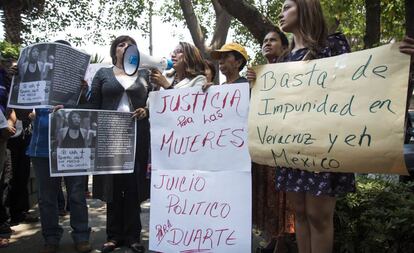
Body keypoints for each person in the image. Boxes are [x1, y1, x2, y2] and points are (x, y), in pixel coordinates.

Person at [270, 1, 355, 253]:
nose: (280, 13)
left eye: (286, 7)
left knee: (318, 216)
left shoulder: (332, 46)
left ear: (305, 8)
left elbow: (352, 85)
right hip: (292, 146)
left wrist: (399, 58)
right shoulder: (284, 59)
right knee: (300, 214)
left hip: (322, 143)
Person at [24, 40, 92, 253]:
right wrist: (18, 77)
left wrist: (85, 90)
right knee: (47, 197)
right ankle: (50, 238)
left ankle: (81, 236)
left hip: (73, 147)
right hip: (42, 146)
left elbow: (90, 108)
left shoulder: (81, 82)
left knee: (77, 194)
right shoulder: (36, 76)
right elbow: (17, 101)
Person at [88, 35, 150, 253]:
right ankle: (113, 236)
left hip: (137, 138)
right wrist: (66, 110)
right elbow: (92, 104)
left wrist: (146, 110)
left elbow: (156, 103)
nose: (126, 48)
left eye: (130, 45)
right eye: (121, 44)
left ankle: (134, 236)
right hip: (108, 137)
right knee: (112, 187)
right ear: (114, 51)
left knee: (133, 188)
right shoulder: (103, 74)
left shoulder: (145, 74)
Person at [246, 27, 295, 252]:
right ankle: (273, 240)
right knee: (268, 195)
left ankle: (281, 244)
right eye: (264, 40)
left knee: (283, 196)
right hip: (263, 146)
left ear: (285, 46)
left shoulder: (292, 70)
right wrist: (252, 86)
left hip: (285, 146)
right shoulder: (258, 74)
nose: (267, 43)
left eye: (273, 40)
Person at [7, 109, 39, 226]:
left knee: (23, 174)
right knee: (10, 176)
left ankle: (21, 212)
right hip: (9, 136)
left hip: (25, 135)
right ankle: (9, 216)